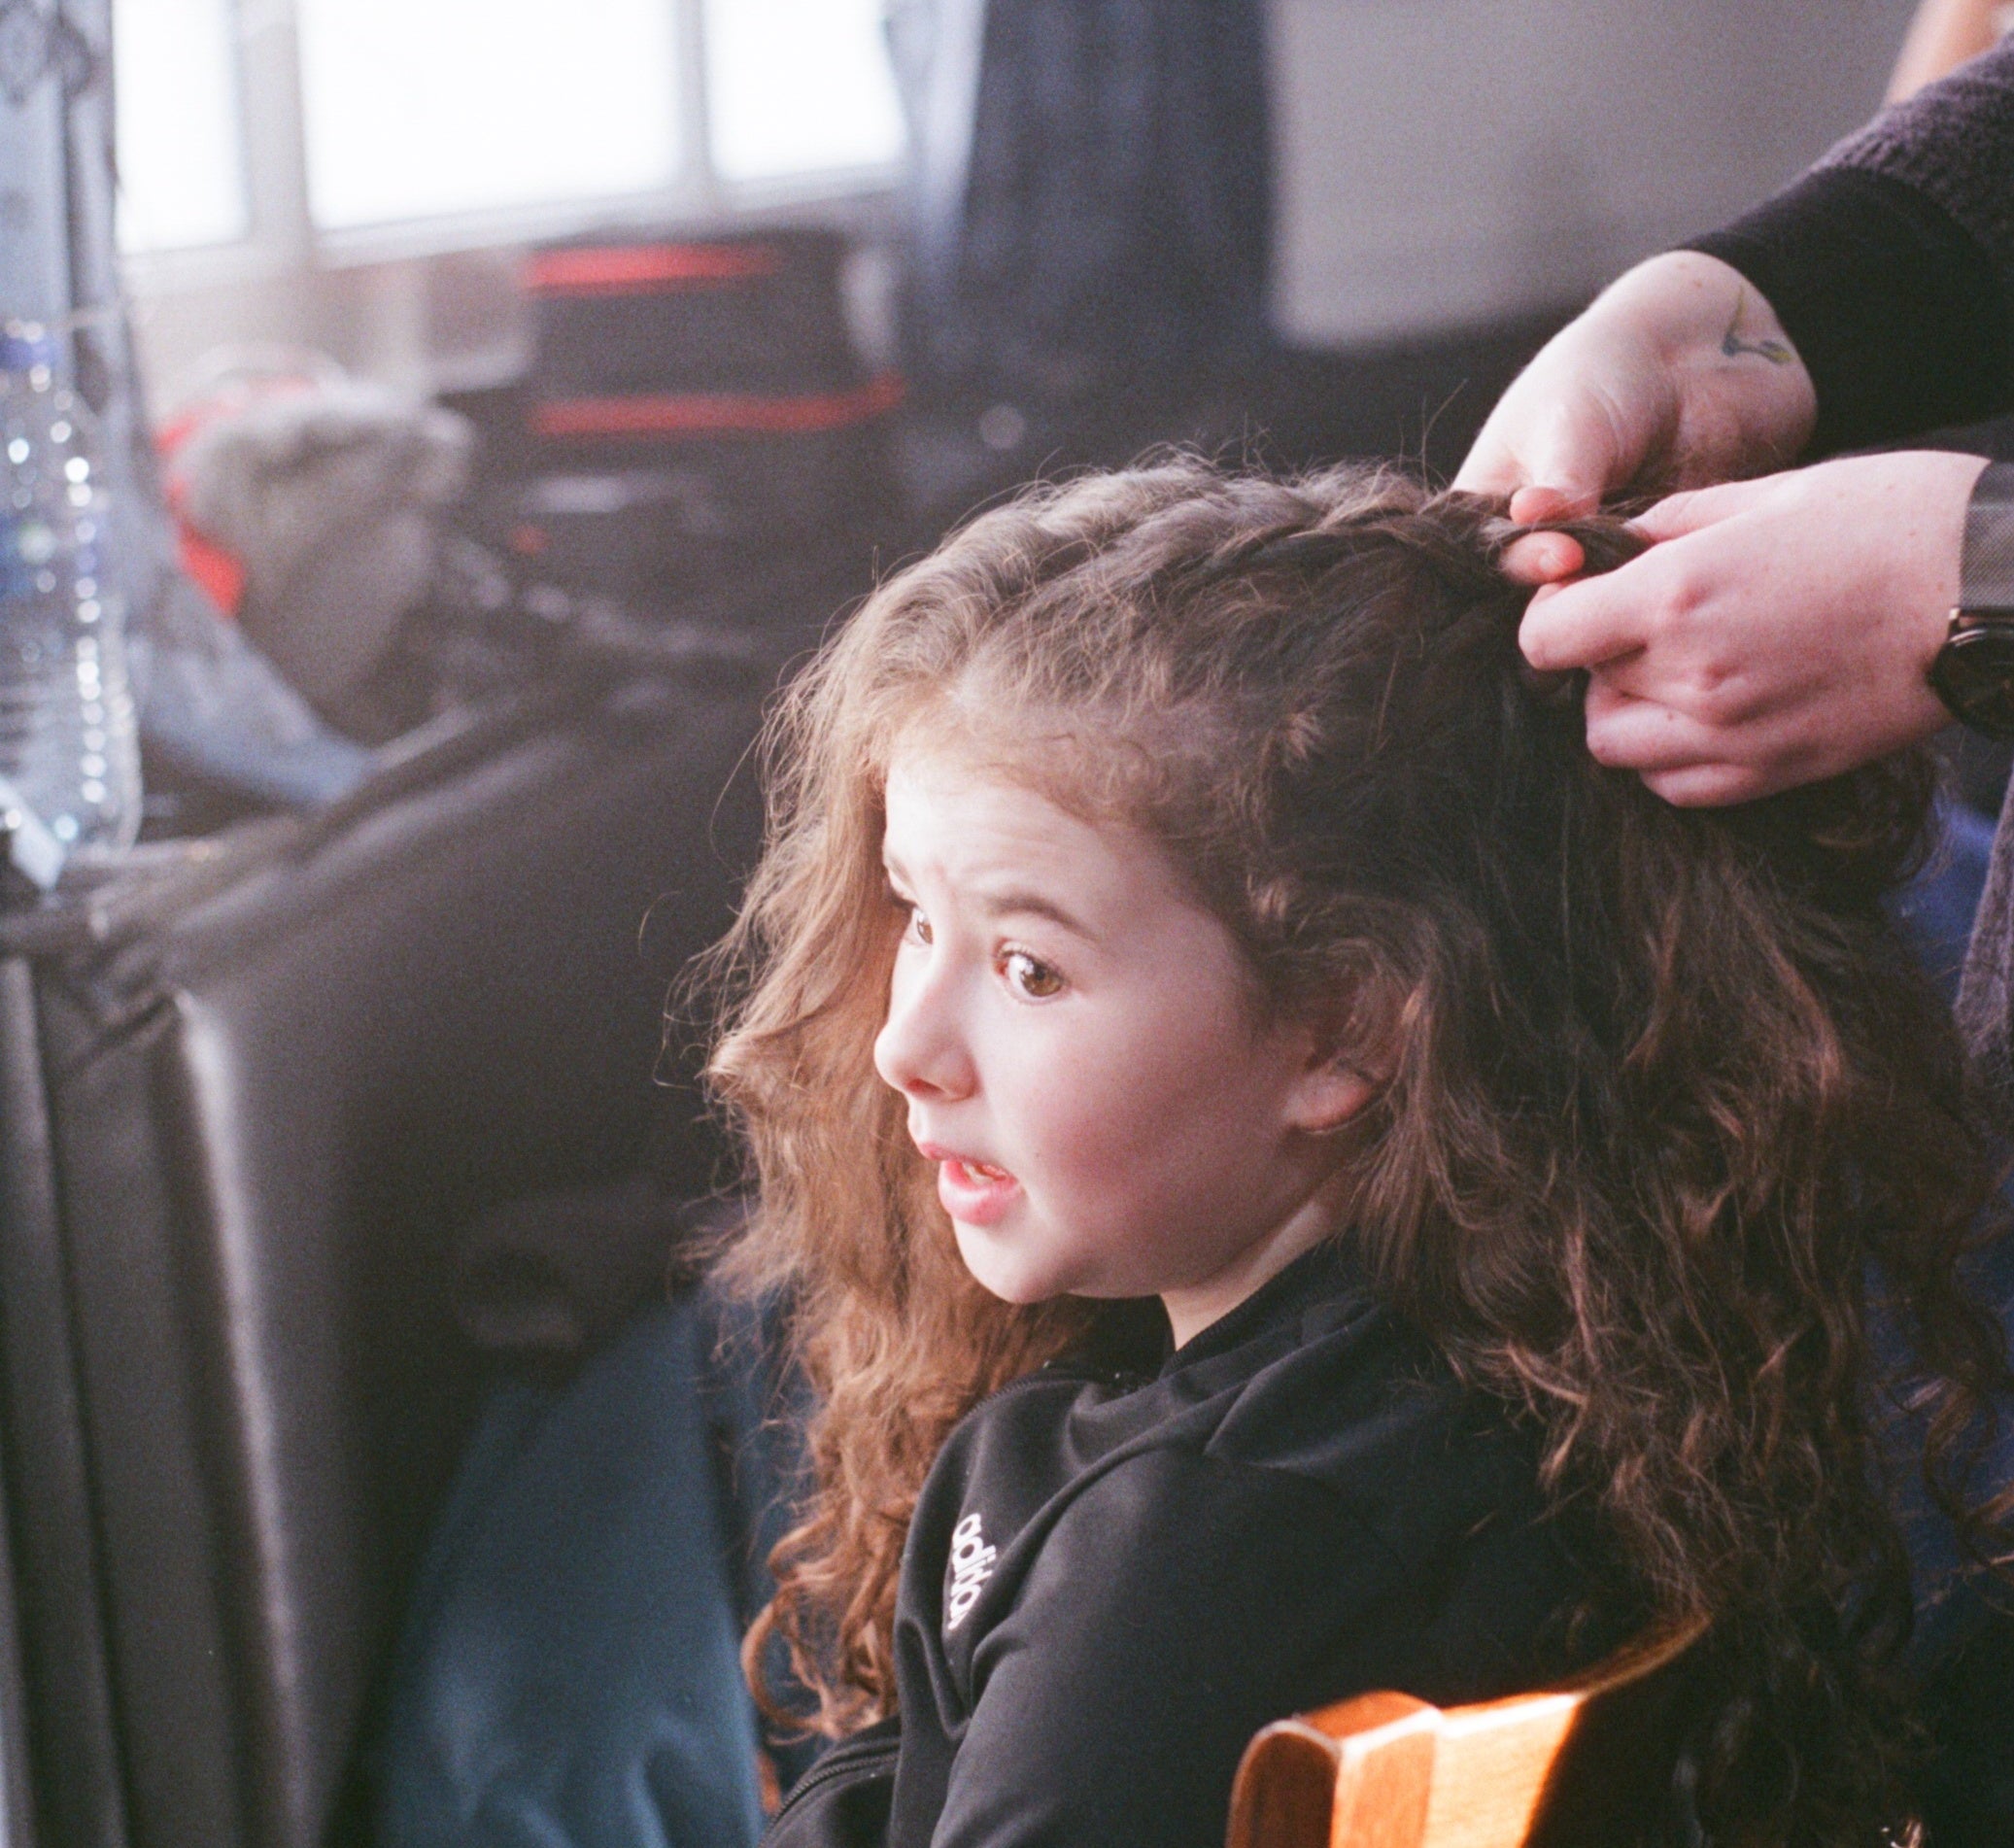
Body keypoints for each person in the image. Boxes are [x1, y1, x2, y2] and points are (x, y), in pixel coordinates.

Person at [691, 456, 2013, 1848]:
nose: (908, 1043)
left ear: (1341, 1035)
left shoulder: (1192, 1560)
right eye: (915, 917)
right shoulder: (1560, 1372)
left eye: (1027, 967)